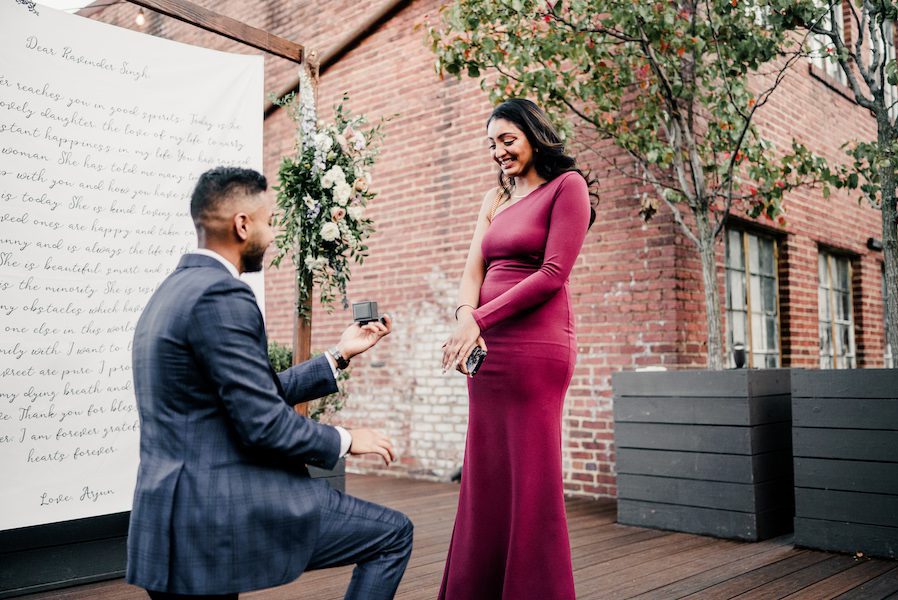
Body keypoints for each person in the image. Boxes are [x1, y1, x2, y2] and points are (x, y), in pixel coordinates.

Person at [127, 167, 413, 600]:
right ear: (243, 225)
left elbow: (242, 393)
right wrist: (348, 437)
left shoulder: (172, 292)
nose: (273, 232)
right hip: (218, 509)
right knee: (393, 534)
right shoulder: (223, 295)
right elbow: (263, 423)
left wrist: (338, 355)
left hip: (169, 514)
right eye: (269, 220)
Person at [438, 99, 594, 600]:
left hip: (537, 349)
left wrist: (478, 319)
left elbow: (553, 275)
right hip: (486, 349)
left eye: (507, 139)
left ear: (533, 135)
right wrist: (466, 318)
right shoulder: (494, 198)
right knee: (485, 476)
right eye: (492, 143)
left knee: (531, 481)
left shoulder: (568, 187)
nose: (499, 151)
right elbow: (472, 272)